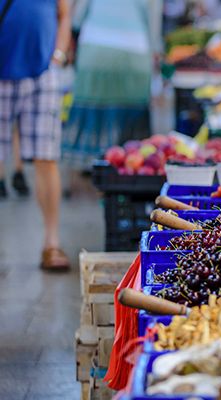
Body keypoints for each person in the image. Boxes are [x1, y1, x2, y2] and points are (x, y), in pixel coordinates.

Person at [0, 0, 71, 269]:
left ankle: (51, 243)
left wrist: (59, 56)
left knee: (46, 156)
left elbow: (64, 14)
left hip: (43, 73)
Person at [62, 0, 161, 167]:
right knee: (132, 127)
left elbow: (76, 18)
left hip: (94, 53)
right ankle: (127, 169)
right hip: (134, 53)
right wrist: (157, 53)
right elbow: (154, 24)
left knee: (93, 115)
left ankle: (91, 167)